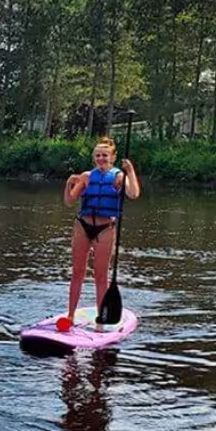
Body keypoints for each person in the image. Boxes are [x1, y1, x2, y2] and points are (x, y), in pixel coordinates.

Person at [63, 136, 141, 328]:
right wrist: (68, 184)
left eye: (105, 155)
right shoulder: (87, 176)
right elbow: (69, 201)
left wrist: (130, 171)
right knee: (77, 272)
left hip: (105, 228)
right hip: (83, 226)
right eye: (97, 155)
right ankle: (70, 316)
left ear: (112, 157)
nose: (101, 158)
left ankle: (101, 319)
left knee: (101, 275)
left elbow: (133, 194)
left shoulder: (118, 177)